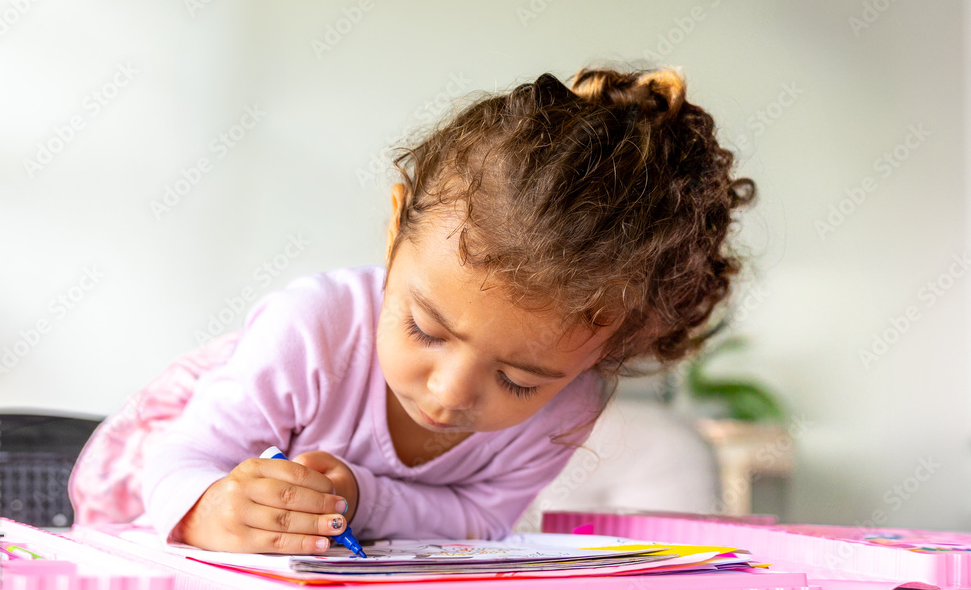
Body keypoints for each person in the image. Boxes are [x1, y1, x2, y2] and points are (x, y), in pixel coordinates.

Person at [68, 65, 754, 554]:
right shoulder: (316, 329)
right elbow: (180, 457)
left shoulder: (572, 403)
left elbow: (484, 519)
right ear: (398, 229)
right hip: (154, 525)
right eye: (425, 328)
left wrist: (364, 499)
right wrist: (209, 509)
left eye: (521, 379)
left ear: (604, 351)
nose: (449, 391)